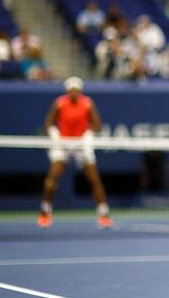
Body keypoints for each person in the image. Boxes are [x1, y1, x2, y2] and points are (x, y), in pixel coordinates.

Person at [38, 76, 113, 229]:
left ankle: (103, 214)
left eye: (76, 91)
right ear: (67, 91)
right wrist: (55, 136)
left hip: (81, 144)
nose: (74, 93)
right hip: (63, 143)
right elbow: (48, 123)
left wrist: (88, 136)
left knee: (94, 179)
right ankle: (45, 212)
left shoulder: (87, 103)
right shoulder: (59, 103)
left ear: (80, 91)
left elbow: (96, 123)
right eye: (71, 91)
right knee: (52, 178)